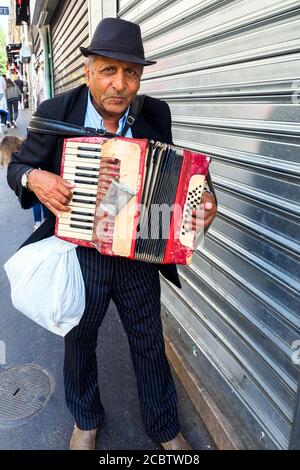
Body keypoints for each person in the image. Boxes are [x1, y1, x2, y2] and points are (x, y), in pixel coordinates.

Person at [7, 18, 217, 450]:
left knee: (147, 342)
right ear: (88, 71)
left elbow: (177, 171)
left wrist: (204, 200)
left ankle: (164, 427)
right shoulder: (55, 113)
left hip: (138, 251)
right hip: (80, 250)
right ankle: (86, 420)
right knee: (80, 340)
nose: (120, 84)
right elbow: (15, 168)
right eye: (108, 70)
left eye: (131, 72)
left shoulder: (154, 114)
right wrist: (34, 178)